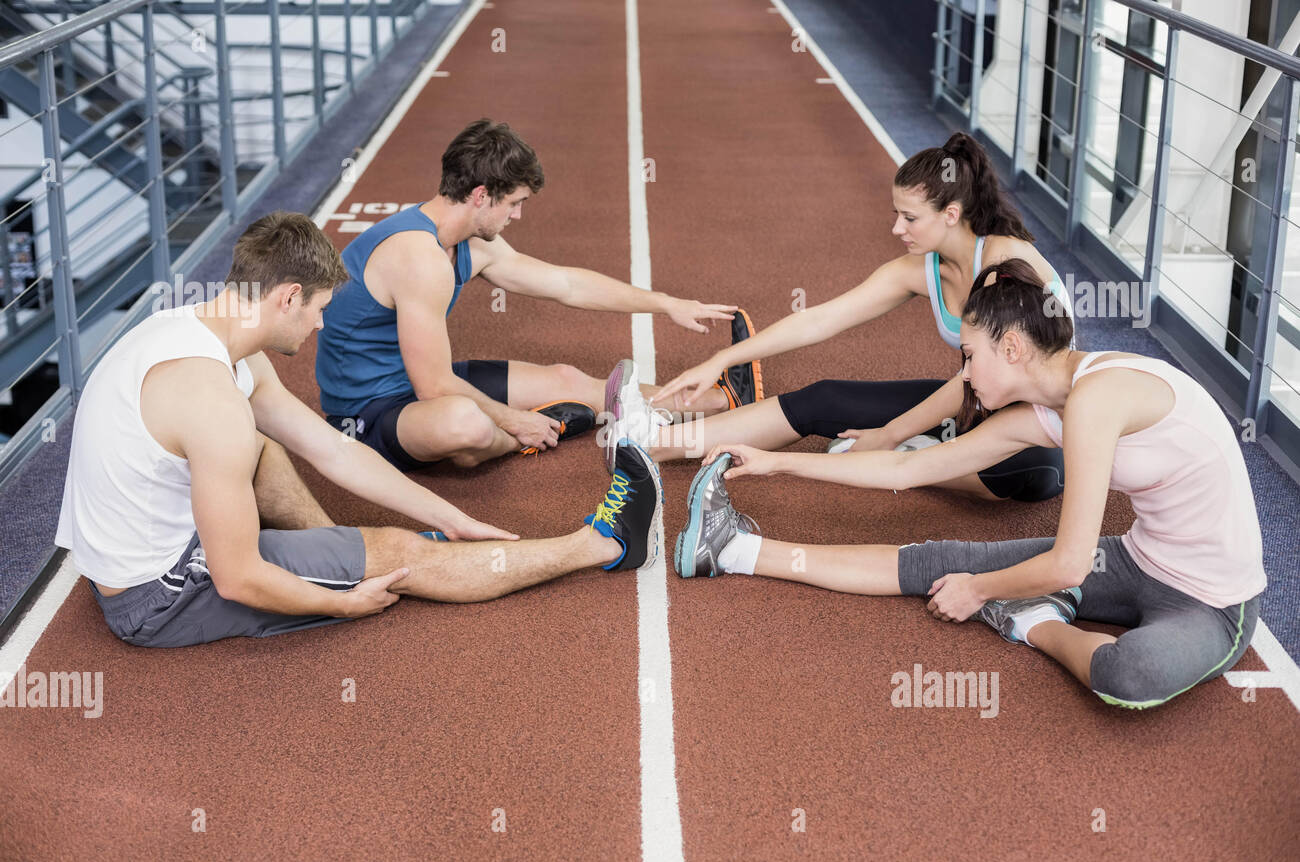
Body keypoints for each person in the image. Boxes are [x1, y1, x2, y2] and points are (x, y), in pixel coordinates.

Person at [675, 259, 1266, 710]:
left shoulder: (1097, 397)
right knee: (941, 562)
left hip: (1214, 602)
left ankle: (1037, 624)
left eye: (968, 356)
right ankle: (735, 549)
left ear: (1011, 347)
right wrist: (778, 463)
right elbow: (906, 469)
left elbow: (1068, 565)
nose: (962, 375)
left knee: (1127, 674)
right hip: (1136, 562)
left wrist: (980, 591)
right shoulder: (1047, 409)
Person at [54, 213, 662, 648]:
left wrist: (450, 516)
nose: (320, 326)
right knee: (399, 553)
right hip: (156, 598)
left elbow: (334, 450)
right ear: (288, 297)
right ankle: (605, 544)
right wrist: (342, 601)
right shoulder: (211, 400)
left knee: (263, 451)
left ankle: (340, 551)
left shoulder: (199, 332)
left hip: (131, 551)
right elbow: (235, 577)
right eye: (319, 309)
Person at [640, 131, 1072, 503]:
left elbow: (973, 378)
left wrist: (889, 435)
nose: (897, 229)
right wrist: (723, 359)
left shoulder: (1004, 263)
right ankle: (652, 445)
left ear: (951, 215)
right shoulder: (919, 271)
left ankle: (913, 454)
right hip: (972, 402)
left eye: (910, 218)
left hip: (1032, 428)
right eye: (896, 215)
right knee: (823, 399)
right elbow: (820, 320)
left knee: (1025, 471)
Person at [315, 117, 760, 472]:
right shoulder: (418, 257)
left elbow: (567, 285)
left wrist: (666, 303)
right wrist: (514, 420)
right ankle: (515, 440)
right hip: (368, 413)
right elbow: (433, 387)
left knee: (568, 379)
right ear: (481, 195)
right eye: (514, 203)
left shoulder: (470, 244)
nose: (518, 215)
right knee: (465, 425)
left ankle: (720, 402)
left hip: (418, 381)